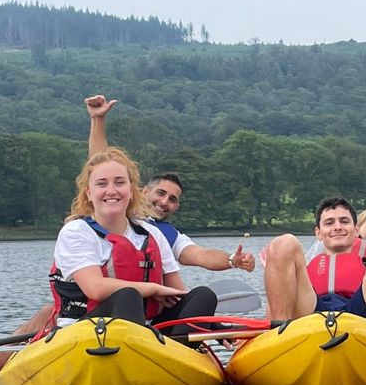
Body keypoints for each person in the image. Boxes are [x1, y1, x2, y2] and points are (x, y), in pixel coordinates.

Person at [0, 148, 218, 379]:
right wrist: (152, 289)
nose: (111, 190)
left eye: (120, 183)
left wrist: (207, 321)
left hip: (147, 336)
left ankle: (177, 366)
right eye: (102, 184)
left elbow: (178, 292)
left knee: (203, 295)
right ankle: (137, 366)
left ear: (131, 191)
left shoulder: (151, 234)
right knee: (126, 296)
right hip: (84, 331)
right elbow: (95, 288)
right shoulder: (76, 232)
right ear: (89, 192)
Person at [85, 94, 255, 272]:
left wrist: (232, 260)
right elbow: (99, 166)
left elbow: (201, 255)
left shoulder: (167, 234)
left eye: (172, 199)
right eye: (160, 193)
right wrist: (98, 119)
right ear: (143, 192)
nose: (165, 202)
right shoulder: (116, 210)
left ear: (176, 207)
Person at [264, 196, 366, 320]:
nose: (337, 227)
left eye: (344, 221)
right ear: (318, 233)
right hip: (311, 309)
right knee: (283, 243)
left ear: (356, 229)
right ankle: (280, 332)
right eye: (329, 223)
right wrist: (277, 270)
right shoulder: (309, 259)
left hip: (362, 311)